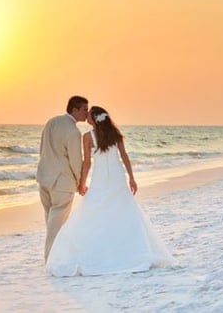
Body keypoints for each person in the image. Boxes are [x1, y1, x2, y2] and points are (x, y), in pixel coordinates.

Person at [46, 106, 177, 276]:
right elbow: (124, 157)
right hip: (117, 177)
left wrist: (82, 183)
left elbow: (87, 163)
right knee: (123, 211)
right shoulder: (115, 135)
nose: (87, 118)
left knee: (95, 211)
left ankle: (102, 251)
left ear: (94, 119)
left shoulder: (87, 137)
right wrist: (131, 177)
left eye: (89, 116)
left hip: (101, 178)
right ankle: (126, 251)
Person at [36, 95, 89, 261]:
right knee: (56, 223)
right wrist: (81, 183)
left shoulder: (51, 122)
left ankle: (55, 256)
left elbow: (42, 149)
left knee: (50, 220)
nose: (87, 114)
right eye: (84, 110)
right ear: (74, 109)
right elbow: (75, 161)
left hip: (43, 177)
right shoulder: (73, 132)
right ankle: (51, 259)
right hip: (62, 182)